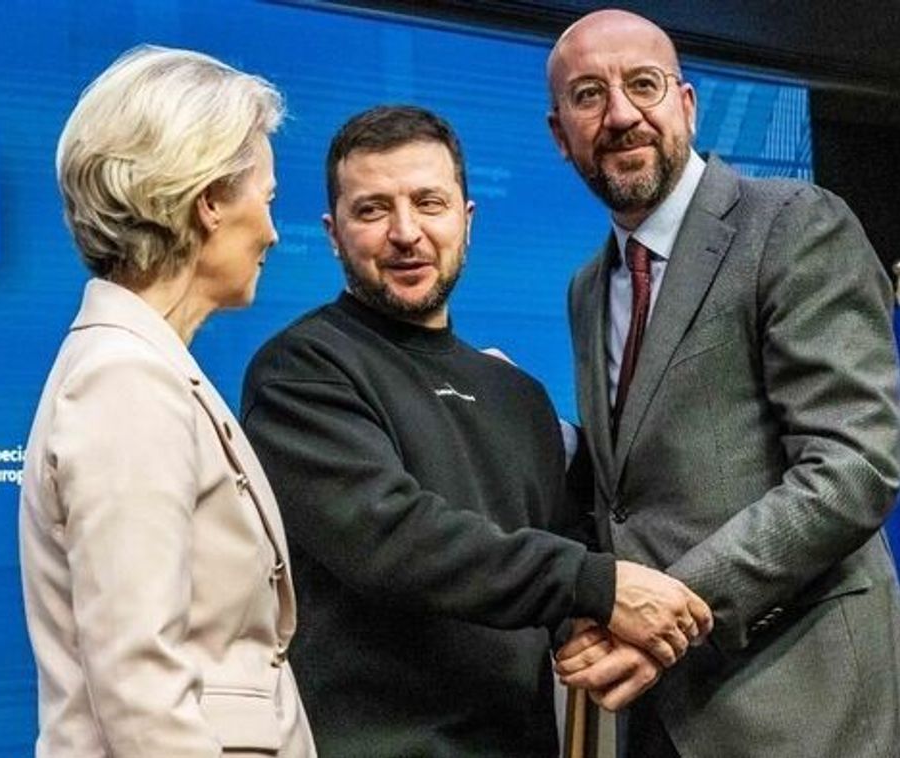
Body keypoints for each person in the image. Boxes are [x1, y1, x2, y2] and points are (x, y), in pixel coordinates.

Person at [240, 105, 711, 758]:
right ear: (332, 233)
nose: (405, 233)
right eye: (372, 210)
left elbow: (562, 555)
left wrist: (585, 626)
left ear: (466, 218)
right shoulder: (302, 369)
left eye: (427, 203)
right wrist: (598, 588)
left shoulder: (516, 396)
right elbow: (392, 538)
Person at [546, 9, 900, 757]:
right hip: (663, 716)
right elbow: (630, 496)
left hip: (812, 714)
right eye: (588, 95)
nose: (620, 114)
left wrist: (674, 615)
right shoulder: (586, 288)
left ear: (685, 104)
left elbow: (852, 467)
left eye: (642, 84)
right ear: (559, 132)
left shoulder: (793, 223)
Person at [17, 46, 314, 757]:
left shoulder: (144, 364)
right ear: (209, 200)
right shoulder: (125, 379)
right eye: (265, 200)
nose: (273, 231)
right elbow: (139, 686)